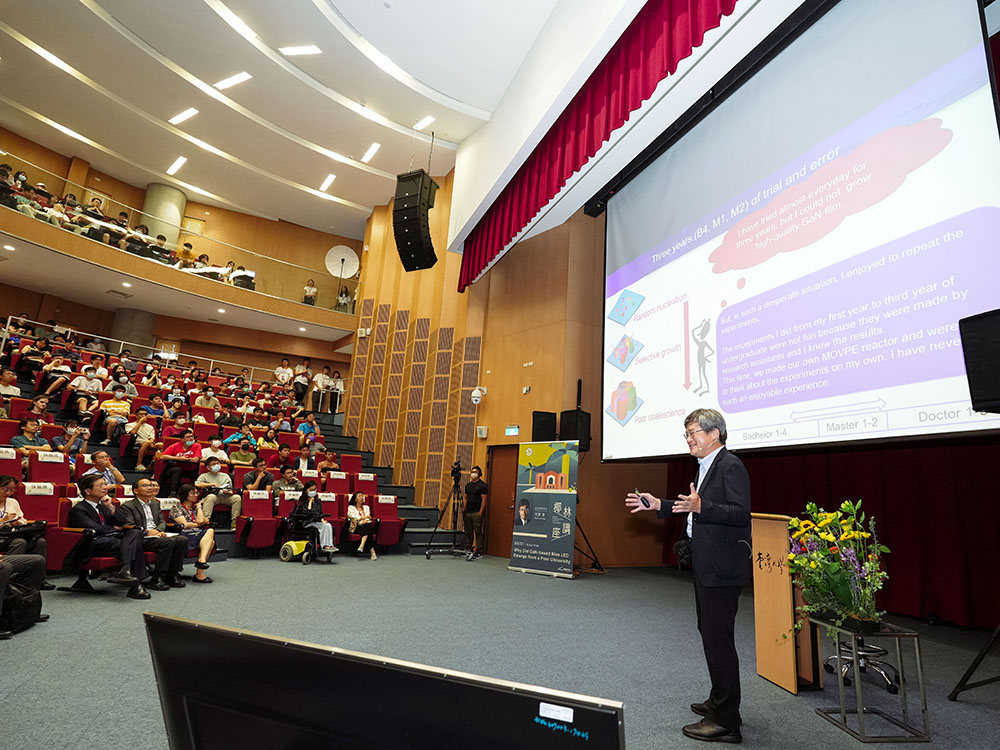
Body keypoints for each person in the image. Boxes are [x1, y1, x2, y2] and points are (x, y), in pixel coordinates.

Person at [624, 408, 751, 744]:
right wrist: (659, 505)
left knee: (718, 640)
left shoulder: (730, 465)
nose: (689, 439)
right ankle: (719, 700)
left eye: (694, 432)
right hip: (707, 565)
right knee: (710, 634)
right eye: (687, 433)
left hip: (723, 569)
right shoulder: (705, 467)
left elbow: (741, 514)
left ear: (715, 434)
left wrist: (701, 507)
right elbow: (689, 507)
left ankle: (726, 721)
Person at [68, 474, 149, 599]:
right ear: (88, 491)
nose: (105, 488)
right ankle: (134, 582)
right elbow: (96, 529)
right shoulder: (79, 509)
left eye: (105, 484)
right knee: (131, 545)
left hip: (111, 539)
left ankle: (127, 572)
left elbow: (123, 522)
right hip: (92, 543)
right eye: (100, 485)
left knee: (135, 533)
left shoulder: (103, 506)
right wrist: (114, 529)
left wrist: (111, 507)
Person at [116, 478, 189, 590]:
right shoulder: (128, 506)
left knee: (182, 539)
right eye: (145, 486)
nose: (150, 488)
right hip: (141, 537)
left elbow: (161, 521)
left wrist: (158, 531)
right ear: (136, 490)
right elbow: (130, 525)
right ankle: (157, 577)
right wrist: (148, 532)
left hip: (157, 535)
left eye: (151, 485)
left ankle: (172, 573)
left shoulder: (155, 504)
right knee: (167, 542)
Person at [0, 475, 53, 589]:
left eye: (12, 489)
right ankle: (10, 578)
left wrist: (17, 522)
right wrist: (3, 521)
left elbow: (22, 519)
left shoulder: (12, 502)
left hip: (12, 533)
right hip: (2, 537)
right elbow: (4, 521)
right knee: (20, 542)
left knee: (40, 541)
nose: (9, 492)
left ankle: (39, 579)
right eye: (5, 489)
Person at [168, 484, 215, 582]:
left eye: (197, 493)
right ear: (185, 494)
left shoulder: (195, 509)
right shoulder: (177, 508)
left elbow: (201, 520)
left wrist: (198, 507)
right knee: (210, 541)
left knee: (210, 531)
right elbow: (184, 524)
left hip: (196, 533)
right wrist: (198, 523)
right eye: (193, 493)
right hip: (183, 535)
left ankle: (201, 562)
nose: (196, 495)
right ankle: (200, 573)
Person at [291, 482, 337, 552]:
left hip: (315, 521)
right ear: (306, 490)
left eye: (315, 490)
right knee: (323, 526)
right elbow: (306, 513)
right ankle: (324, 545)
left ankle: (329, 545)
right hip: (305, 523)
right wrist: (310, 502)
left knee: (327, 525)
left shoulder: (318, 501)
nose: (313, 492)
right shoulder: (302, 501)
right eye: (311, 490)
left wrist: (322, 520)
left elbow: (320, 513)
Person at [196, 459, 241, 529]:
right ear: (208, 467)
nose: (216, 465)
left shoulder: (225, 476)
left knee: (237, 498)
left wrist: (230, 492)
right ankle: (206, 521)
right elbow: (197, 484)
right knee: (211, 497)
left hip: (225, 495)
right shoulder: (204, 476)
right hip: (214, 496)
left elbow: (230, 487)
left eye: (217, 463)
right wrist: (211, 484)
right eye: (213, 464)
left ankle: (235, 523)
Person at [158, 428, 202, 494]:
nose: (191, 438)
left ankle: (188, 493)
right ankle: (173, 492)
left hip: (189, 469)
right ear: (182, 439)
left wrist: (186, 459)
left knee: (197, 473)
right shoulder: (175, 446)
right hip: (174, 469)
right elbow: (163, 457)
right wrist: (179, 458)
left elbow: (196, 459)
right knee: (177, 470)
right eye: (188, 437)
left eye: (192, 436)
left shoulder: (197, 445)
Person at [463, 465, 488, 560]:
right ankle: (469, 548)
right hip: (468, 512)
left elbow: (484, 500)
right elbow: (465, 498)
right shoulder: (468, 486)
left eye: (475, 472)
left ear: (479, 474)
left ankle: (479, 550)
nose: (473, 473)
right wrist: (464, 509)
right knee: (468, 531)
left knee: (478, 532)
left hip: (477, 512)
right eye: (472, 472)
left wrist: (480, 513)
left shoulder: (483, 486)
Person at [345, 491, 377, 560]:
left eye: (362, 496)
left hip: (365, 525)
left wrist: (363, 520)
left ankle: (362, 545)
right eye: (359, 496)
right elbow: (354, 517)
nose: (362, 498)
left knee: (367, 526)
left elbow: (368, 518)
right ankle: (372, 552)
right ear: (355, 499)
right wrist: (363, 519)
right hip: (356, 527)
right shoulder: (351, 508)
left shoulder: (366, 507)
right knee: (368, 530)